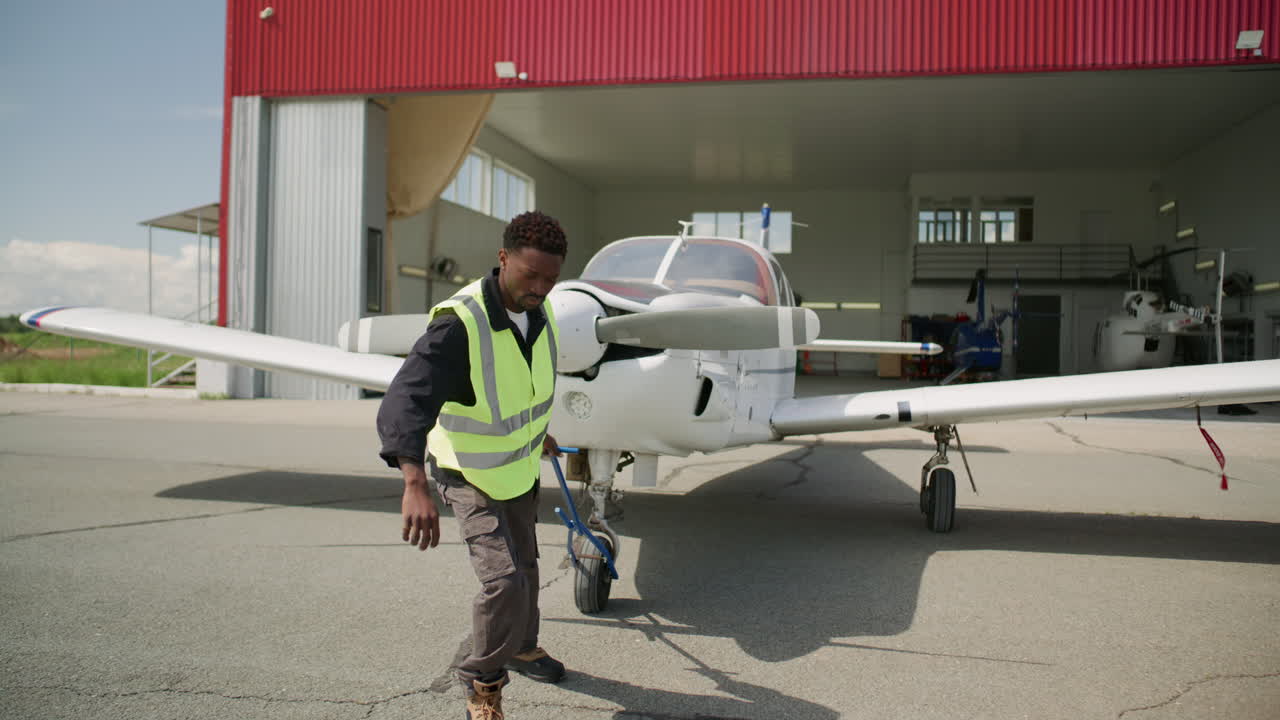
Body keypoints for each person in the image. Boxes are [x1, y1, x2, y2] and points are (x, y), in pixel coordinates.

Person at [377, 210, 568, 720]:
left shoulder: (538, 310)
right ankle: (483, 684)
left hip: (519, 469)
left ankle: (523, 647)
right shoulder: (459, 324)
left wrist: (537, 433)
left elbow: (519, 385)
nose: (542, 287)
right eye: (531, 274)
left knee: (526, 568)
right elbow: (405, 400)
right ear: (503, 259)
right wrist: (413, 480)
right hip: (467, 472)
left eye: (552, 278)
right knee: (503, 580)